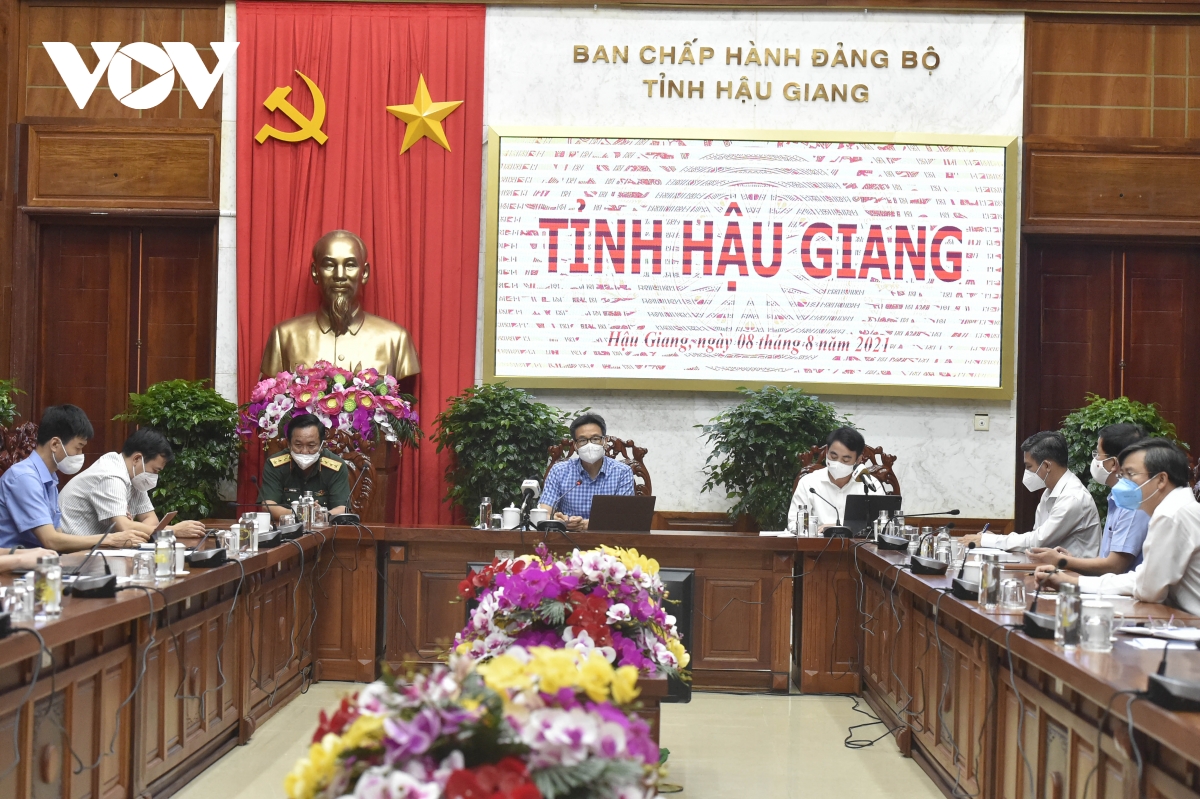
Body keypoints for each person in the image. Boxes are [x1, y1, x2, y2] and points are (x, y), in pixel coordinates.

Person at [1035, 439, 1200, 616]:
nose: (1124, 483)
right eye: (1123, 475)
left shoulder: (1170, 515)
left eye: (1131, 474)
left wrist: (1073, 582)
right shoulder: (1180, 507)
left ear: (1161, 479)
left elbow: (1148, 590)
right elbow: (1143, 579)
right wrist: (1074, 582)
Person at [260, 230, 420, 379]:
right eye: (329, 265)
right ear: (315, 272)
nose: (340, 275)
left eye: (350, 265)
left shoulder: (396, 340)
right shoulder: (284, 337)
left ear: (364, 273)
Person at [0, 405, 148, 552]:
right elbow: (51, 540)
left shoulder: (49, 479)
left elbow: (58, 537)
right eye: (78, 447)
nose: (80, 454)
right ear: (55, 444)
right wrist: (109, 539)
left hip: (43, 561)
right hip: (17, 564)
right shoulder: (24, 478)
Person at [1027, 423, 1149, 575]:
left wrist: (1062, 561)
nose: (1095, 460)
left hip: (1121, 589)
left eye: (1098, 454)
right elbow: (1105, 559)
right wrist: (1072, 560)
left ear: (1113, 463)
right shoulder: (1117, 499)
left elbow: (1115, 566)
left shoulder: (1132, 503)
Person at [961, 431, 1101, 556]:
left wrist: (991, 540)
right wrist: (996, 540)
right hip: (1054, 568)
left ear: (1046, 466)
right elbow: (1035, 539)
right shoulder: (1049, 492)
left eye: (1029, 467)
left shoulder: (1073, 498)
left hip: (1075, 573)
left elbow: (1037, 542)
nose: (1026, 472)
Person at [59, 428, 206, 540]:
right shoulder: (111, 475)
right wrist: (174, 530)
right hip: (74, 552)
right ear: (137, 459)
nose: (155, 476)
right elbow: (124, 528)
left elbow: (151, 519)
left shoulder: (135, 478)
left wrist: (133, 527)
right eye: (155, 470)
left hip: (101, 548)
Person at [539, 413, 635, 531]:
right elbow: (543, 513)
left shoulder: (622, 472)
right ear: (575, 445)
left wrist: (586, 525)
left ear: (604, 441)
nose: (590, 445)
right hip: (566, 537)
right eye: (583, 440)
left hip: (608, 539)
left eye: (595, 439)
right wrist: (558, 520)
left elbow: (624, 518)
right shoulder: (559, 471)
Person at [787, 427, 883, 531]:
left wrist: (840, 527)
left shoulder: (870, 485)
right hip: (819, 540)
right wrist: (818, 530)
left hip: (856, 541)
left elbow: (883, 524)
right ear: (827, 451)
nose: (838, 463)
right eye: (833, 457)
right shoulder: (809, 483)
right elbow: (794, 523)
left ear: (858, 459)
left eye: (845, 460)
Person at [259, 414, 350, 521]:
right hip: (286, 527)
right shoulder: (275, 464)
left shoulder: (336, 466)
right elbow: (268, 505)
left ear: (321, 446)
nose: (304, 451)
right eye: (298, 445)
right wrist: (301, 514)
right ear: (289, 444)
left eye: (311, 446)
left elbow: (342, 508)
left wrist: (322, 515)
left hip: (324, 528)